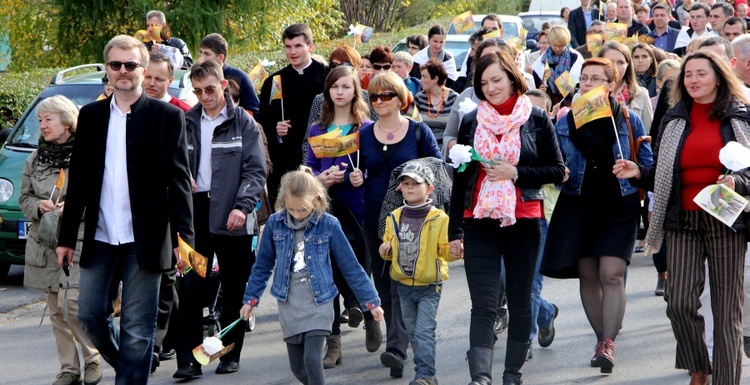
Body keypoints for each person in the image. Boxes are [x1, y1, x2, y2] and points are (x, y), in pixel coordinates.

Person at [55, 35, 194, 385]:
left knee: (137, 326)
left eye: (130, 65)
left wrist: (184, 240)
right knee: (88, 315)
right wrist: (66, 237)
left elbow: (178, 184)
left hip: (145, 240)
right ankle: (134, 366)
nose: (123, 71)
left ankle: (131, 374)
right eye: (115, 65)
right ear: (107, 69)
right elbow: (80, 182)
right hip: (101, 236)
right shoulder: (91, 116)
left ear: (143, 71)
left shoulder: (166, 117)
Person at [613, 49, 750, 385]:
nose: (693, 81)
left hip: (725, 220)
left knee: (727, 312)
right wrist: (638, 173)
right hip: (683, 221)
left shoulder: (740, 117)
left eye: (701, 74)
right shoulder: (674, 118)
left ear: (718, 76)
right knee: (679, 302)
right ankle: (699, 365)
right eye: (688, 75)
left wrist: (737, 180)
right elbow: (664, 172)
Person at [448, 51, 565, 385]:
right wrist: (455, 229)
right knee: (483, 304)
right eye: (483, 84)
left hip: (524, 220)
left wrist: (516, 173)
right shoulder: (471, 120)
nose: (491, 88)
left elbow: (558, 171)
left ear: (513, 78)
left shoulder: (538, 119)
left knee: (519, 300)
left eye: (497, 80)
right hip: (479, 221)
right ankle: (480, 378)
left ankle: (512, 373)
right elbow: (461, 180)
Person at [542, 57, 653, 375]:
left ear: (613, 85)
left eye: (596, 79)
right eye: (584, 79)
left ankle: (608, 342)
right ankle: (601, 340)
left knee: (612, 273)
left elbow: (648, 166)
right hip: (578, 203)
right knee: (589, 276)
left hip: (620, 204)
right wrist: (557, 171)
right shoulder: (565, 120)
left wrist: (634, 172)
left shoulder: (629, 120)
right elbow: (553, 163)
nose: (588, 84)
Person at [240, 169, 384, 385]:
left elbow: (352, 268)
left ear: (316, 200)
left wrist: (371, 303)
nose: (297, 214)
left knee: (311, 360)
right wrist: (250, 299)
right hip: (289, 303)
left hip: (320, 302)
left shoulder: (329, 224)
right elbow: (262, 267)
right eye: (291, 209)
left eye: (303, 209)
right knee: (297, 368)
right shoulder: (274, 224)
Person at [172, 59, 266, 379]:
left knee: (232, 289)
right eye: (197, 91)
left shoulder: (244, 124)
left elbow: (256, 171)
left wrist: (242, 207)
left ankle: (226, 354)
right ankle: (190, 360)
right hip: (195, 218)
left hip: (232, 218)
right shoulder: (186, 121)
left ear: (224, 85)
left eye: (210, 89)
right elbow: (174, 167)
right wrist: (184, 179)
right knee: (191, 288)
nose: (204, 96)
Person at [358, 72, 442, 378]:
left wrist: (412, 177)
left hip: (412, 219)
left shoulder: (418, 131)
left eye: (386, 96)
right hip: (374, 218)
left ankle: (395, 346)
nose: (379, 102)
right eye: (374, 97)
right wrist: (357, 178)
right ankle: (399, 341)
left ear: (400, 98)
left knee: (401, 282)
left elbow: (437, 167)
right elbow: (358, 168)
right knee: (384, 284)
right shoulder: (364, 135)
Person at [20, 95, 102, 385]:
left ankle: (93, 358)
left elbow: (102, 196)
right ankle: (69, 368)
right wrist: (37, 207)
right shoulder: (35, 158)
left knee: (73, 304)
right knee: (55, 309)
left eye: (48, 119)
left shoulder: (87, 153)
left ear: (67, 122)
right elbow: (24, 198)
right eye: (40, 120)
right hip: (44, 243)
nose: (42, 125)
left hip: (78, 240)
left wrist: (76, 206)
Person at [305, 65, 379, 367]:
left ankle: (371, 313)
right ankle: (332, 342)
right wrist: (322, 177)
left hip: (359, 206)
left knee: (360, 267)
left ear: (354, 92)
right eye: (335, 87)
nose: (339, 92)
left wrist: (364, 175)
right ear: (328, 92)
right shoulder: (317, 129)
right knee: (328, 272)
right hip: (327, 206)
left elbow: (376, 166)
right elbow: (308, 169)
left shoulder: (366, 127)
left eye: (346, 87)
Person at [379, 161, 455, 385]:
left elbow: (444, 251)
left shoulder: (439, 218)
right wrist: (385, 251)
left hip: (429, 286)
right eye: (405, 183)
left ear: (429, 188)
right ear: (399, 188)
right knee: (412, 332)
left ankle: (425, 374)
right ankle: (424, 372)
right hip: (403, 284)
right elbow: (388, 248)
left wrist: (454, 251)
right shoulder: (394, 216)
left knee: (423, 331)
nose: (410, 187)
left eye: (415, 183)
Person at [141, 51, 190, 373]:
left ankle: (157, 345)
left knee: (166, 280)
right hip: (133, 216)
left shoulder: (182, 113)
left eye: (160, 78)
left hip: (171, 211)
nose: (153, 83)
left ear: (170, 81)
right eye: (149, 77)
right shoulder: (123, 111)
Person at [259, 23, 328, 208]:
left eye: (298, 46)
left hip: (321, 154)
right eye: (288, 47)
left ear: (310, 46)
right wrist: (275, 130)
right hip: (285, 158)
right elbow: (264, 119)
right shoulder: (275, 82)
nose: (292, 52)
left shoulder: (327, 76)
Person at [198, 33, 261, 116]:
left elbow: (255, 111)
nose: (201, 58)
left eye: (207, 54)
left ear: (220, 57)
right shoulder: (198, 77)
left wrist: (236, 115)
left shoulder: (238, 77)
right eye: (201, 53)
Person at [598, 41, 654, 131]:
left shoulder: (640, 94)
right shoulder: (583, 95)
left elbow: (647, 133)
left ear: (628, 65)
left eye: (620, 62)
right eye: (609, 62)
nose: (615, 67)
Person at [410, 58, 459, 148]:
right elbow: (408, 122)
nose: (421, 80)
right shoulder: (420, 97)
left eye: (424, 77)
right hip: (424, 147)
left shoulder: (454, 98)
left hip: (447, 149)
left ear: (435, 79)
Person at [533, 26, 585, 105]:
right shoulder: (541, 62)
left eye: (560, 46)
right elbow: (534, 88)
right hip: (549, 104)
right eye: (554, 45)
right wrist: (540, 91)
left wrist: (573, 90)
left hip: (570, 104)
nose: (557, 49)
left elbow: (584, 87)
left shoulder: (576, 58)